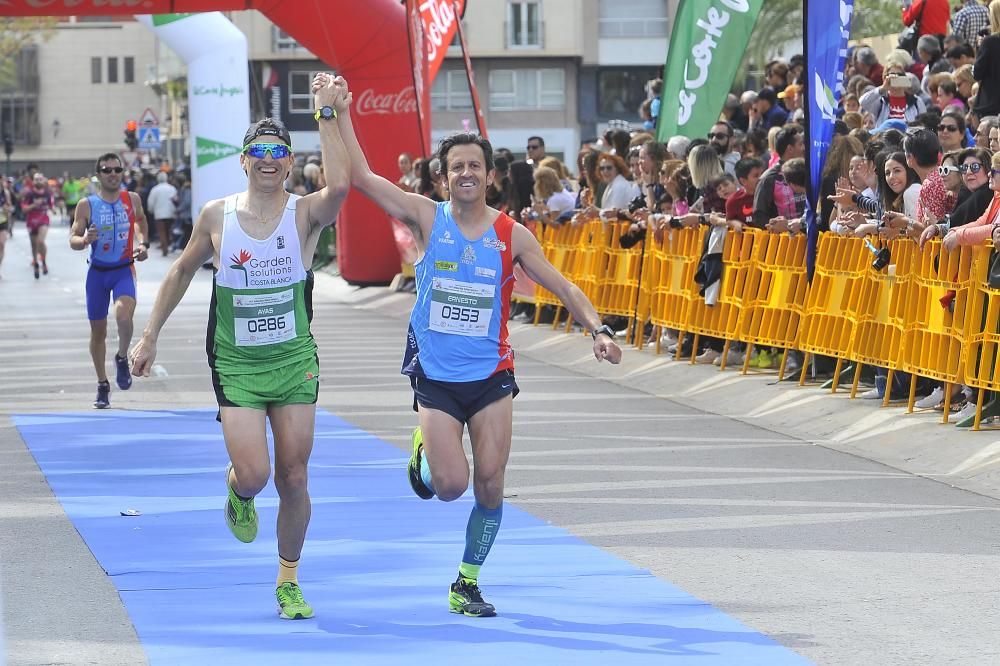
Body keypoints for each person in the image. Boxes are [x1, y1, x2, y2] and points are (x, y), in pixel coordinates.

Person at [333, 74, 623, 617]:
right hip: (438, 379)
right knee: (450, 486)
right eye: (456, 166)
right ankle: (424, 450)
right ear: (443, 178)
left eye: (474, 166)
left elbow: (565, 287)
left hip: (491, 379)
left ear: (490, 176)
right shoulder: (426, 217)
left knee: (489, 485)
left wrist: (598, 329)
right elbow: (362, 175)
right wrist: (343, 113)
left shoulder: (512, 234)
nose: (465, 173)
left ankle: (466, 581)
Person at [129, 76, 350, 620]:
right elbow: (180, 271)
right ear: (244, 160)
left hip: (294, 359)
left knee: (294, 475)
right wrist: (149, 333)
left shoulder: (304, 214)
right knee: (254, 475)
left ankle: (288, 579)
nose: (270, 160)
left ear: (291, 161)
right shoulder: (215, 216)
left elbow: (342, 186)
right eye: (260, 152)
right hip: (236, 363)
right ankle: (237, 490)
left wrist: (328, 113)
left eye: (279, 152)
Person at [69, 153, 150, 409]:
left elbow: (141, 221)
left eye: (117, 169)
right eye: (107, 170)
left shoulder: (131, 199)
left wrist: (143, 243)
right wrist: (84, 240)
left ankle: (122, 356)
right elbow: (73, 238)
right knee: (98, 332)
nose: (112, 174)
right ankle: (102, 383)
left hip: (124, 269)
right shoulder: (87, 204)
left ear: (122, 172)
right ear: (99, 174)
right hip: (97, 274)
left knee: (124, 316)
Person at [20, 172, 54, 278]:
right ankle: (36, 263)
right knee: (34, 245)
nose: (38, 181)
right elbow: (24, 209)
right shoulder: (29, 194)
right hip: (31, 221)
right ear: (33, 181)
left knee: (40, 241)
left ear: (44, 181)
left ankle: (43, 261)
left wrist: (54, 208)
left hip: (43, 219)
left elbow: (51, 206)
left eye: (40, 179)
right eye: (36, 179)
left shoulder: (48, 193)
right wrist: (34, 205)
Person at [146, 172, 178, 257]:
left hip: (159, 214)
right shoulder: (172, 188)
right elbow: (176, 200)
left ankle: (165, 250)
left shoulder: (155, 189)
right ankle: (167, 246)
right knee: (168, 231)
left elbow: (151, 202)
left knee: (162, 232)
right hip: (170, 213)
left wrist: (151, 210)